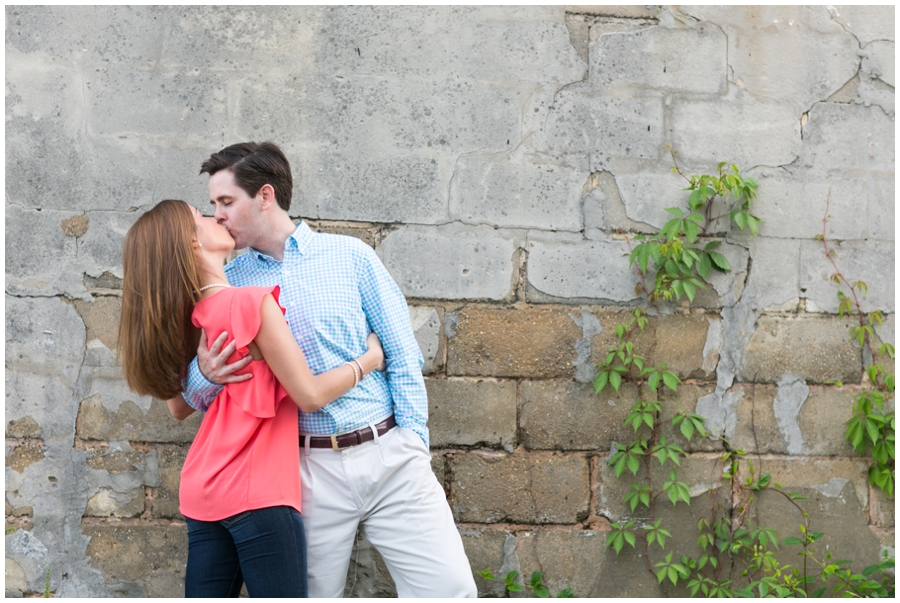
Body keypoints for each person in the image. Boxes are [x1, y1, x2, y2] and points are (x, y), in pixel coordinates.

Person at [179, 142, 478, 597]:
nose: (217, 216)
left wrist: (413, 438)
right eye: (213, 205)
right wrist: (206, 371)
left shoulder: (350, 256)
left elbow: (401, 351)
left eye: (226, 202)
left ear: (264, 196)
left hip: (389, 453)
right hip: (303, 468)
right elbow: (192, 396)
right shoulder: (230, 282)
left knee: (450, 589)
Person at [117, 199, 385, 598]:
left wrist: (206, 376)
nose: (217, 217)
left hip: (203, 489)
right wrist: (368, 360)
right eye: (203, 216)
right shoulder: (251, 302)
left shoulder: (192, 316)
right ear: (193, 242)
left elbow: (177, 406)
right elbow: (309, 395)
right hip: (258, 492)